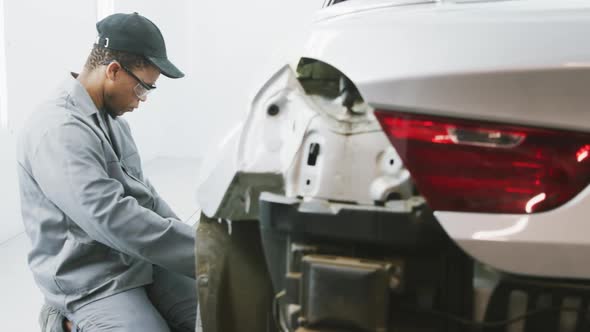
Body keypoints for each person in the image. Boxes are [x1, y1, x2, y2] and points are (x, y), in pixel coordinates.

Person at [16, 12, 197, 332]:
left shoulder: (113, 122)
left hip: (136, 260)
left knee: (218, 310)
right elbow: (113, 218)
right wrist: (205, 254)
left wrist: (207, 247)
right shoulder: (58, 129)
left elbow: (147, 199)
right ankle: (61, 320)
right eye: (144, 89)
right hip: (90, 278)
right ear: (113, 70)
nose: (143, 101)